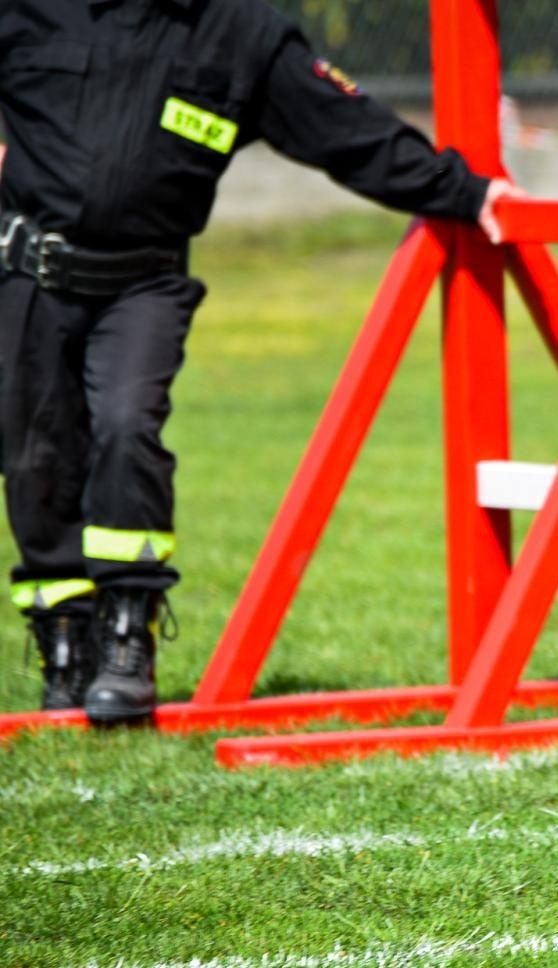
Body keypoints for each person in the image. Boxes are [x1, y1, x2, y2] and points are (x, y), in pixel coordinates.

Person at [0, 1, 527, 723]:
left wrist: (466, 192)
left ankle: (127, 636)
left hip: (144, 285)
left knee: (126, 427)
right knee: (34, 455)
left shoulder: (241, 32)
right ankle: (64, 641)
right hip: (27, 275)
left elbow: (344, 128)